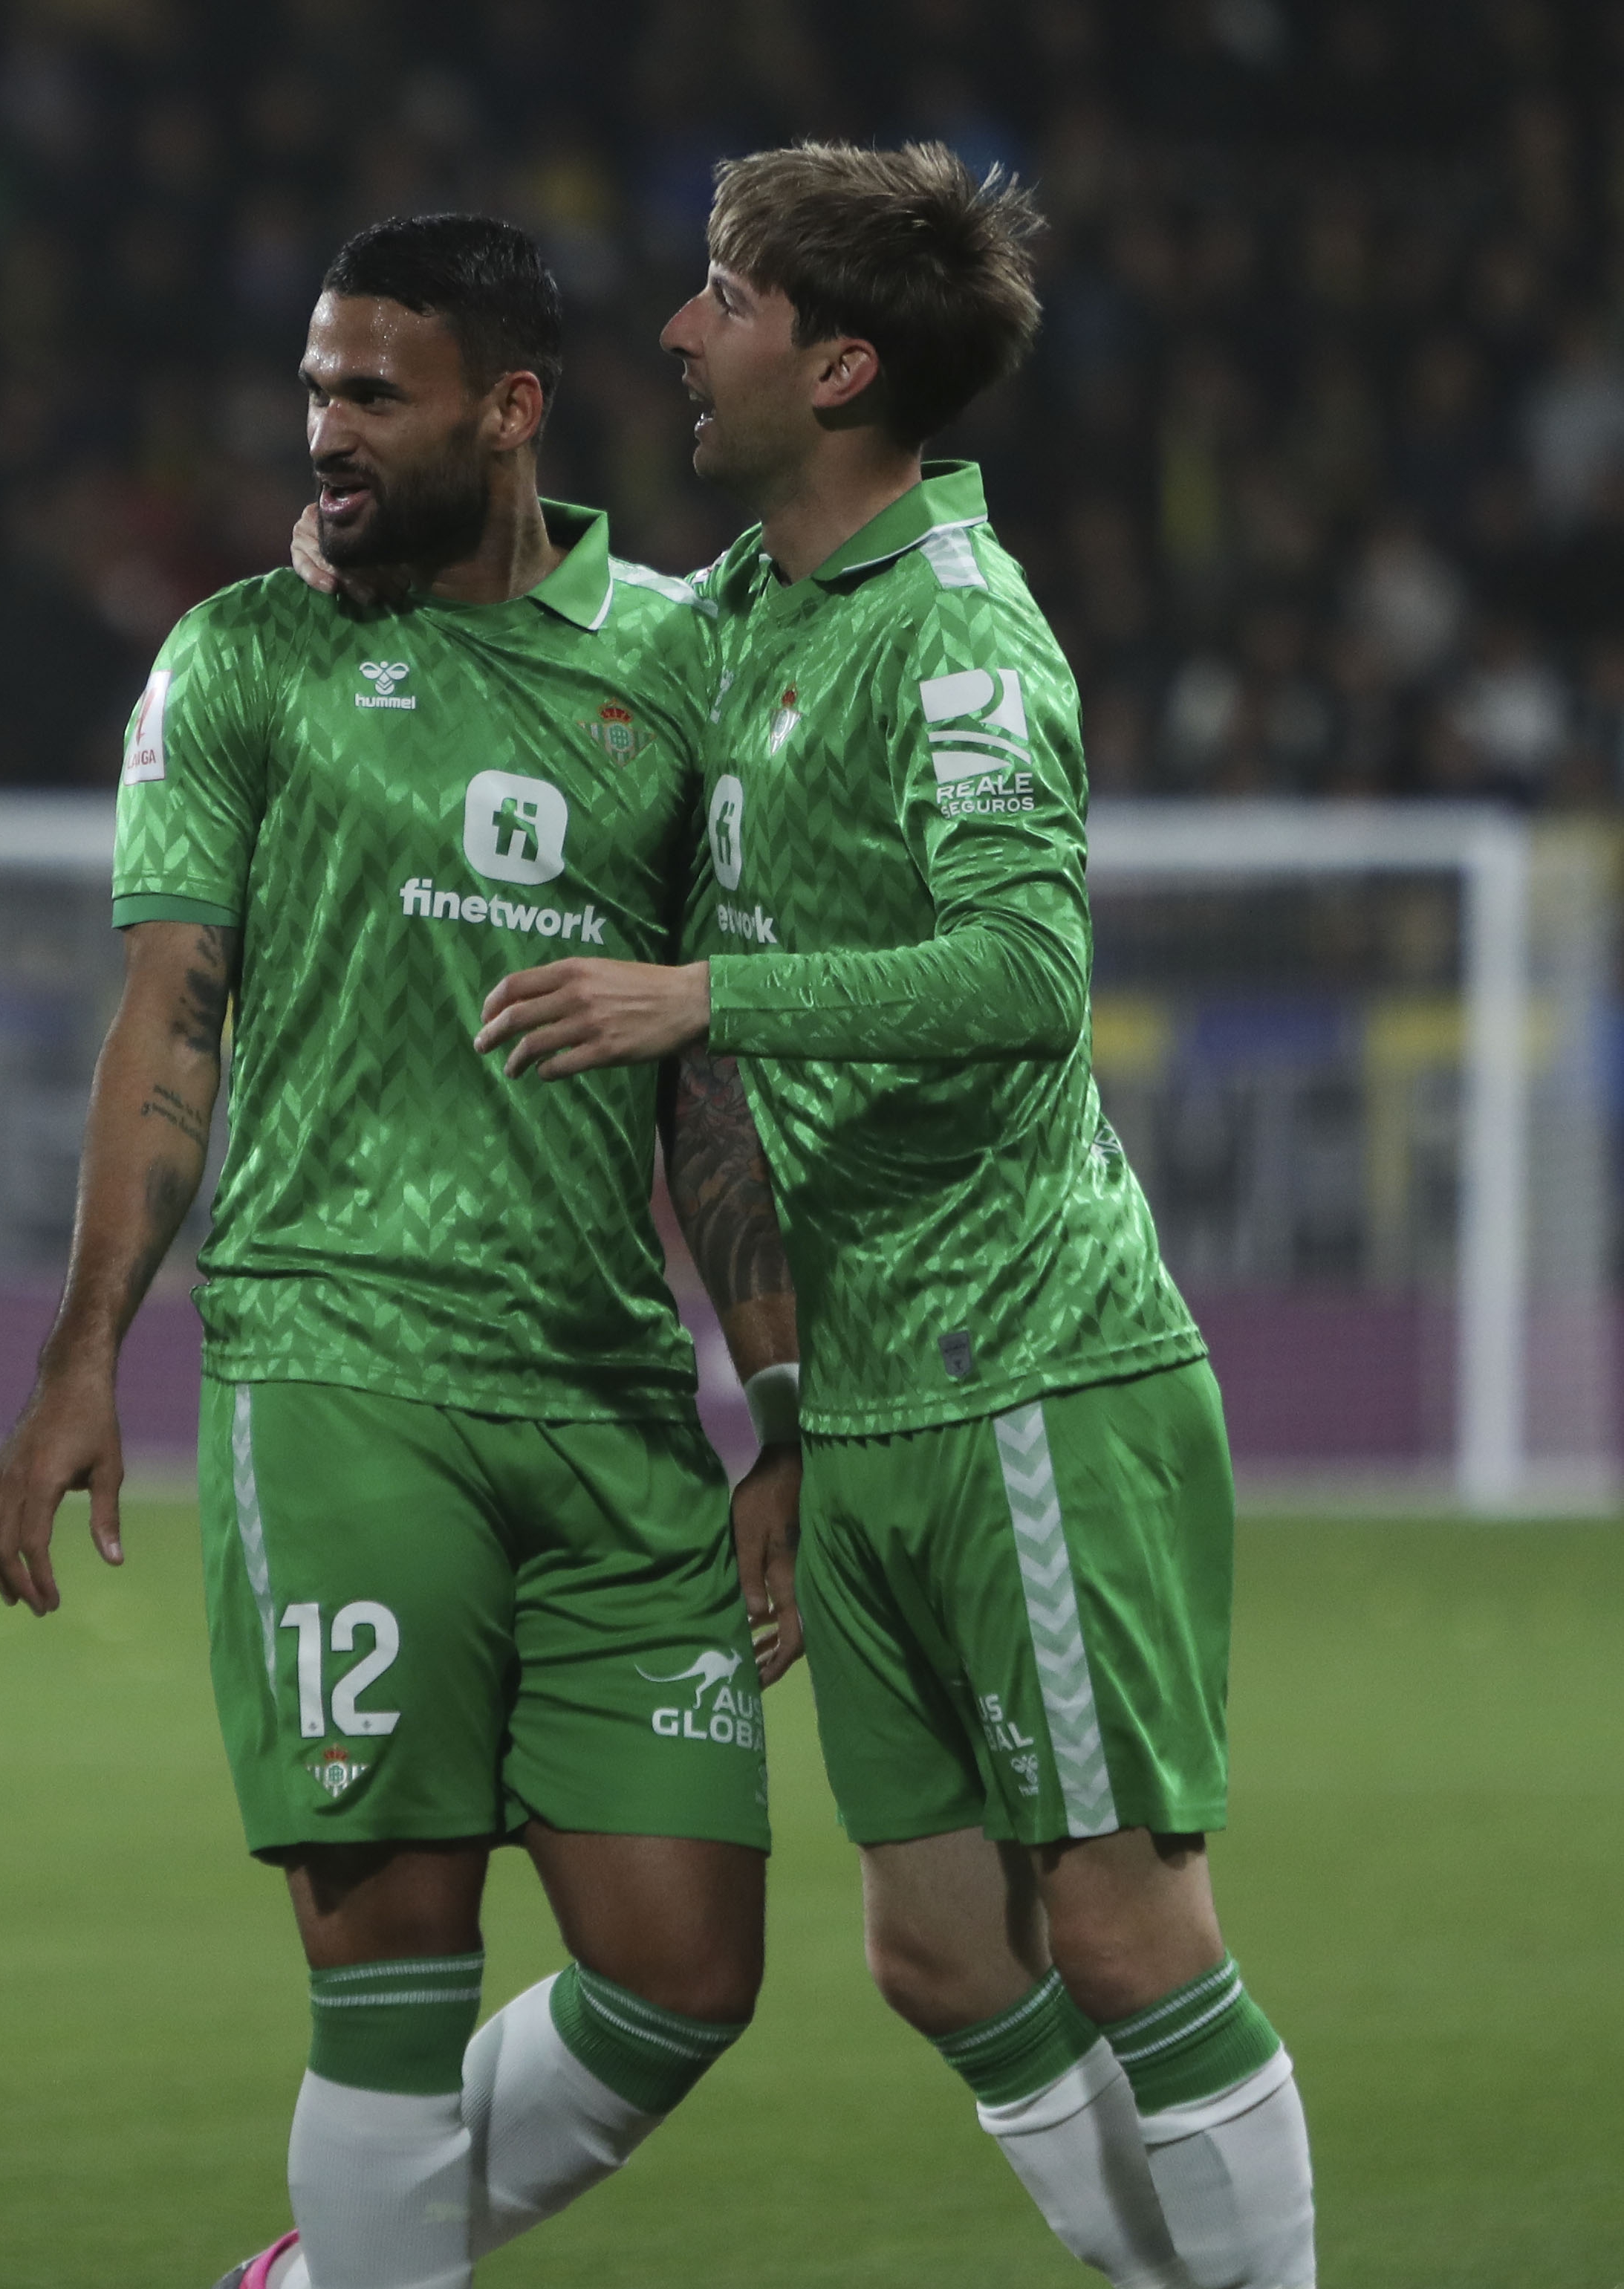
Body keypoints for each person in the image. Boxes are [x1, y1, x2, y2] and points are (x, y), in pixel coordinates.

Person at [463, 143, 1315, 2289]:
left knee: (1119, 1927)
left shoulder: (957, 633)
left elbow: (1024, 975)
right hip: (864, 1398)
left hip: (1026, 1367)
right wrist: (363, 541)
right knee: (941, 1953)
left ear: (837, 366)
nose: (680, 331)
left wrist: (703, 996)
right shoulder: (750, 614)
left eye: (723, 297)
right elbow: (555, 641)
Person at [0, 214, 804, 2289]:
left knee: (685, 1970)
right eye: (313, 392)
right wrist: (82, 1357)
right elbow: (171, 1013)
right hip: (338, 1370)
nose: (324, 432)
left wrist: (781, 1396)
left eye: (373, 394)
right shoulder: (243, 654)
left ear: (509, 411)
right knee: (392, 1972)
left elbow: (708, 1076)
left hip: (612, 1401)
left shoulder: (679, 658)